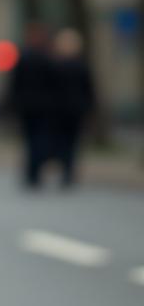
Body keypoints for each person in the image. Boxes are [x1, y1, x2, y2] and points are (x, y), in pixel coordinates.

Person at [5, 20, 54, 188]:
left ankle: (32, 171)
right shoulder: (47, 57)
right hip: (40, 106)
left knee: (32, 139)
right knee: (36, 139)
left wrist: (12, 103)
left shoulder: (25, 57)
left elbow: (14, 83)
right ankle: (34, 171)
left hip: (30, 106)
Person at [50, 27, 94, 187]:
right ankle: (68, 171)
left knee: (61, 140)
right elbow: (88, 89)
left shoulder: (55, 66)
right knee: (73, 142)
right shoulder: (81, 66)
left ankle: (63, 167)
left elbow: (50, 89)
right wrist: (88, 107)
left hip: (59, 111)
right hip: (76, 110)